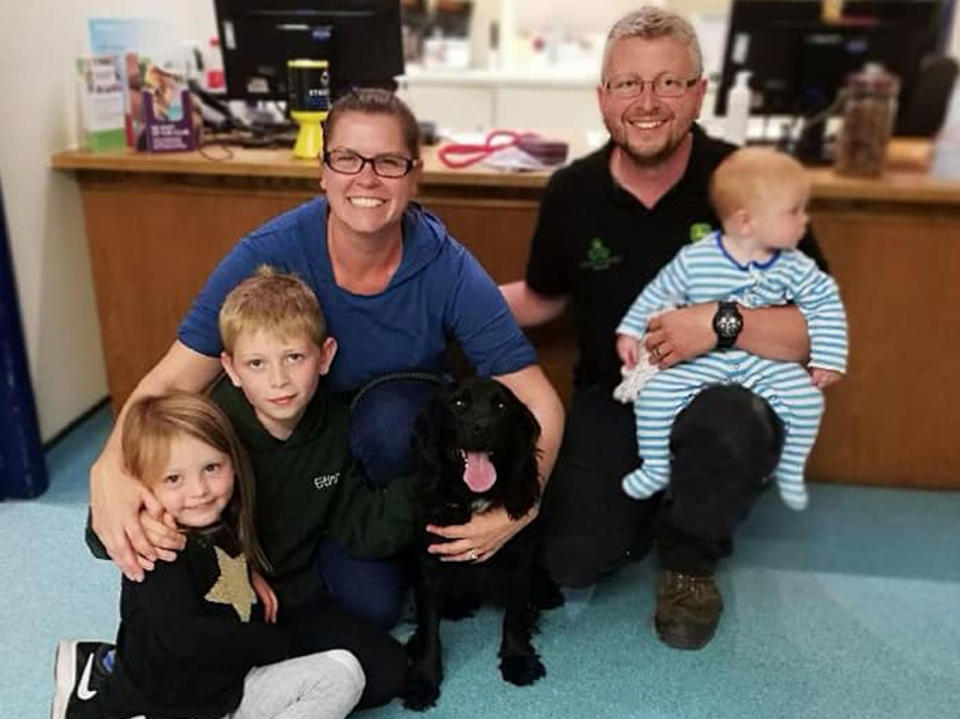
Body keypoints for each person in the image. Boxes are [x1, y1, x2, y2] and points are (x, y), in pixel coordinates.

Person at [87, 88, 563, 635]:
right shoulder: (268, 251)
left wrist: (515, 511)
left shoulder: (446, 266)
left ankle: (389, 552)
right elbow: (174, 380)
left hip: (382, 450)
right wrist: (109, 467)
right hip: (295, 447)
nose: (366, 179)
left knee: (373, 599)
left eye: (388, 162)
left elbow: (537, 398)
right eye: (347, 159)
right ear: (323, 170)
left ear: (414, 175)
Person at [501, 7, 830, 650]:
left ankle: (690, 556)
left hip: (726, 397)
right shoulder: (572, 192)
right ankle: (668, 496)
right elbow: (543, 298)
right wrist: (437, 299)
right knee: (570, 562)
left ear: (700, 92)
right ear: (603, 97)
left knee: (725, 426)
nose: (647, 102)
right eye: (628, 84)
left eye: (670, 83)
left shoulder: (746, 182)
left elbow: (812, 329)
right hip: (617, 395)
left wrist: (720, 322)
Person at [53, 393, 365, 719]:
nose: (199, 490)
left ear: (233, 463)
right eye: (174, 478)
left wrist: (248, 575)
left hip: (230, 690)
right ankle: (95, 689)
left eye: (212, 468)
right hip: (168, 705)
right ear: (143, 485)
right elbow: (186, 640)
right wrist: (274, 643)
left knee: (344, 672)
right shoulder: (159, 550)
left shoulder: (223, 518)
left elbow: (223, 565)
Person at [616, 147, 848, 511]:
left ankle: (787, 470)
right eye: (794, 211)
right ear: (745, 222)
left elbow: (825, 308)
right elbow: (658, 292)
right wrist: (629, 332)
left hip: (761, 363)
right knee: (656, 400)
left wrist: (828, 359)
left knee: (805, 402)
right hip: (699, 362)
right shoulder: (696, 258)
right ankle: (655, 467)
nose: (805, 220)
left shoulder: (796, 267)